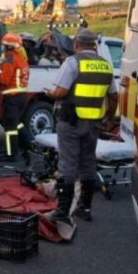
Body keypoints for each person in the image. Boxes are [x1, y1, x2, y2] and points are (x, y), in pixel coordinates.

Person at [44, 28, 118, 237]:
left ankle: (61, 213)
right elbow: (113, 97)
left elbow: (61, 91)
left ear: (76, 43)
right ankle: (84, 208)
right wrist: (109, 119)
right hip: (93, 123)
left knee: (67, 165)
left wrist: (50, 93)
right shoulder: (105, 65)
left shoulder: (72, 62)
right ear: (94, 45)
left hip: (71, 122)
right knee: (87, 163)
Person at [0, 33, 30, 162]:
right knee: (16, 123)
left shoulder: (10, 57)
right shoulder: (21, 58)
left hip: (11, 97)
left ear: (9, 47)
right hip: (21, 95)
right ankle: (30, 144)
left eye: (4, 46)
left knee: (10, 127)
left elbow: (5, 80)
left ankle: (11, 154)